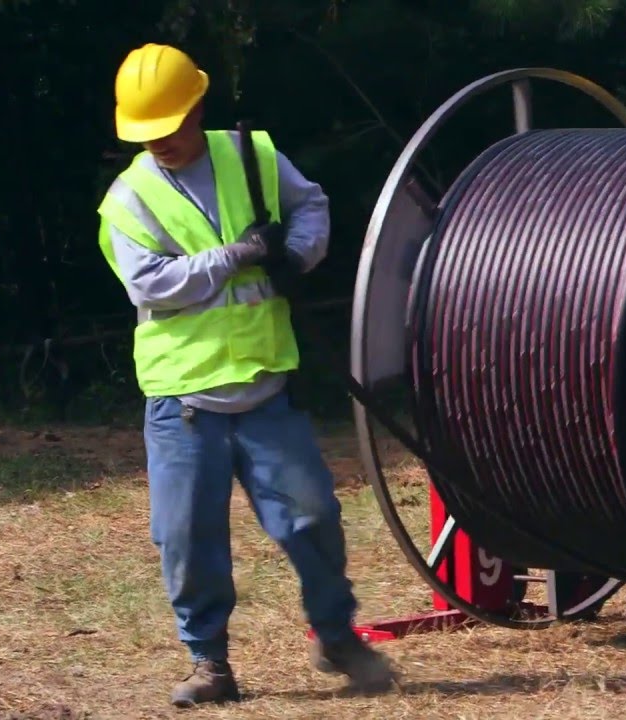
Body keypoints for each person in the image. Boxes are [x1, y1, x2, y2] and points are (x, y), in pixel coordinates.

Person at [95, 42, 398, 708]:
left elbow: (311, 204)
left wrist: (296, 252)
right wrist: (237, 256)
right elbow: (153, 285)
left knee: (314, 516)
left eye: (168, 125)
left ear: (197, 107)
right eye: (145, 133)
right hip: (184, 402)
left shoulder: (252, 155)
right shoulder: (129, 199)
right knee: (187, 538)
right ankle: (210, 665)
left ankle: (336, 636)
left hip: (264, 390)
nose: (159, 143)